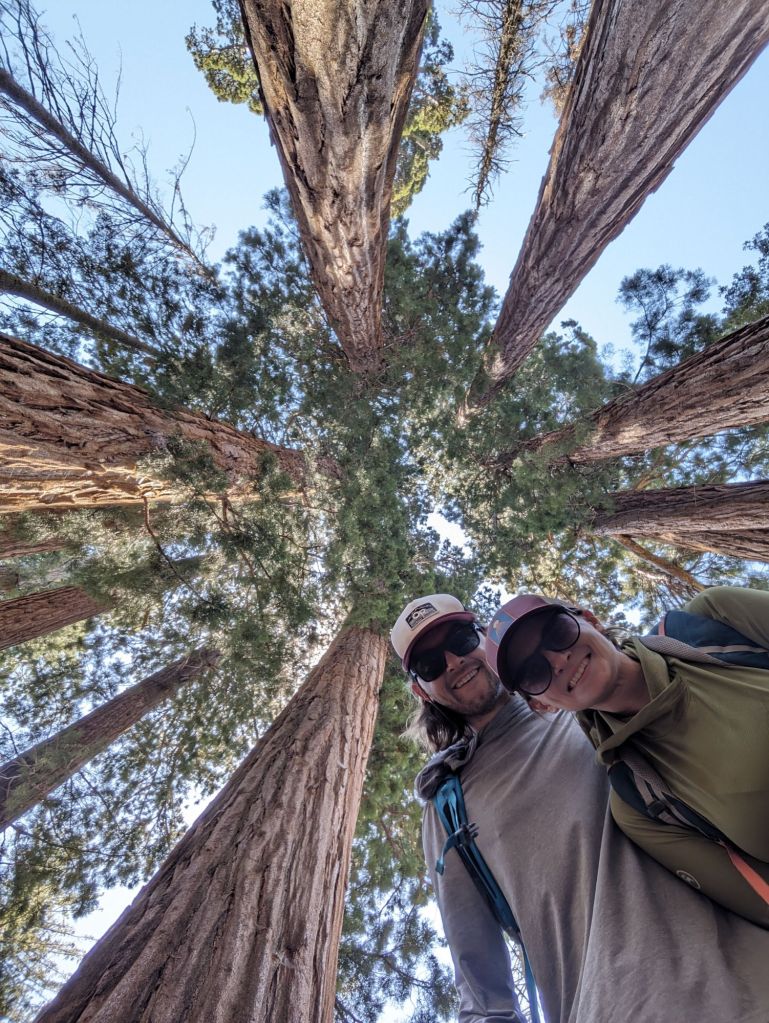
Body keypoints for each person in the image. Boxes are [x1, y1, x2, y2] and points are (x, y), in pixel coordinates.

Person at [391, 592, 769, 1023]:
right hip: (614, 1006)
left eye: (460, 639)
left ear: (483, 637)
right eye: (429, 665)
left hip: (751, 971)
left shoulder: (587, 688)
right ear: (422, 691)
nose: (453, 662)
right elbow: (481, 992)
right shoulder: (448, 806)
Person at [485, 585, 769, 927]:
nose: (558, 661)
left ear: (590, 620)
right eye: (534, 671)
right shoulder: (642, 805)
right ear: (540, 703)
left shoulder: (711, 620)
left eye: (557, 632)